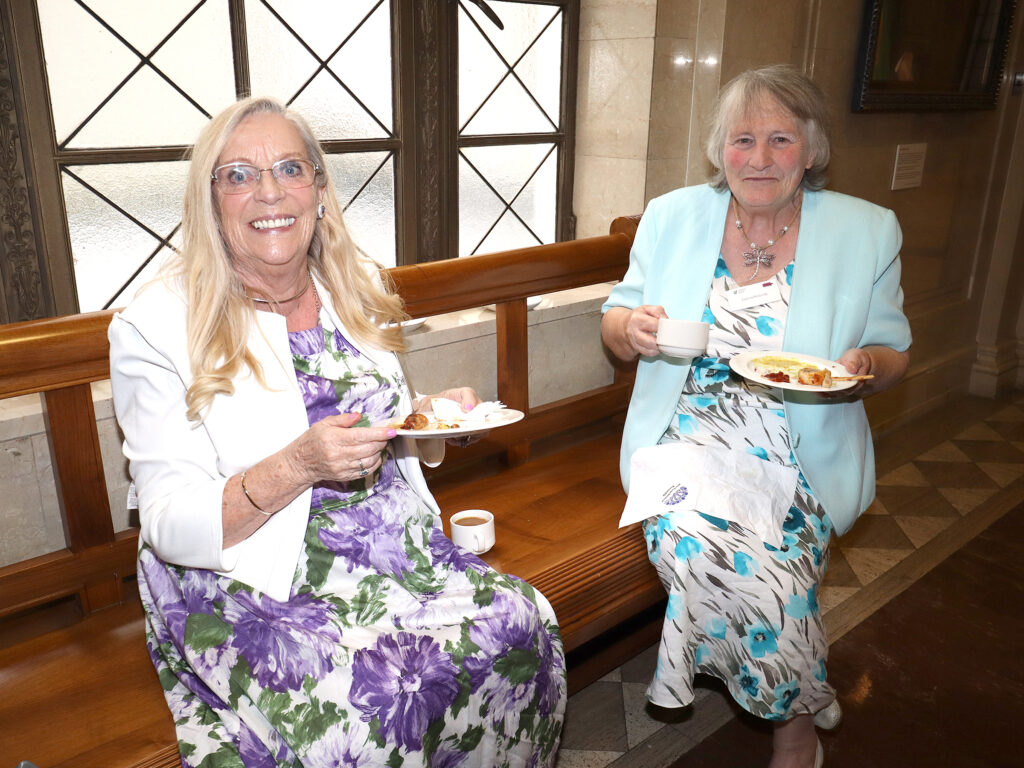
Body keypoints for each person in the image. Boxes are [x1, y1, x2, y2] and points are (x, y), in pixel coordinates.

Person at [109, 96, 565, 767]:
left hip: (388, 545)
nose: (268, 192)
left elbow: (379, 422)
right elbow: (171, 525)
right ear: (210, 199)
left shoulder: (353, 283)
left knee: (524, 621)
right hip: (251, 572)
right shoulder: (156, 323)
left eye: (290, 169)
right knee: (369, 715)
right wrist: (298, 465)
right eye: (238, 175)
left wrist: (432, 415)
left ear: (320, 190)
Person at [601, 65, 911, 768]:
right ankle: (800, 709)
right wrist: (633, 330)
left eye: (780, 139)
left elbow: (896, 354)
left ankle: (793, 712)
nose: (760, 158)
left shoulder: (867, 231)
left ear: (812, 148)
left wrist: (865, 366)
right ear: (719, 149)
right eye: (743, 139)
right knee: (702, 547)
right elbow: (615, 320)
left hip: (798, 446)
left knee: (774, 558)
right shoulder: (673, 215)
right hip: (686, 435)